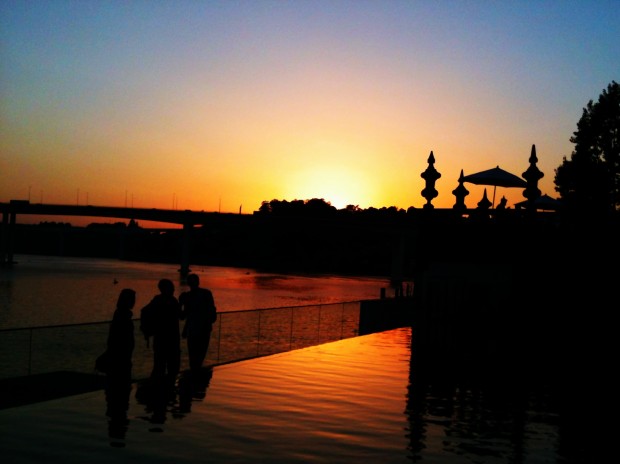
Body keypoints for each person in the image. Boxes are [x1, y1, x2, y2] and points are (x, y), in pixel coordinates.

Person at [104, 288, 136, 439]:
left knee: (116, 393)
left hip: (121, 357)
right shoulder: (123, 316)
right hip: (122, 358)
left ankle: (115, 412)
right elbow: (119, 339)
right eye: (132, 299)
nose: (134, 301)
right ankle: (118, 412)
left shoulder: (120, 314)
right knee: (120, 390)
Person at [140, 278, 182, 392]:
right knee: (172, 367)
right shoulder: (172, 301)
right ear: (166, 288)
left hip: (161, 339)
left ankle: (159, 392)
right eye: (172, 287)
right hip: (171, 339)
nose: (173, 289)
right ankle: (166, 391)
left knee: (160, 365)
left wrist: (147, 330)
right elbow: (181, 315)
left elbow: (144, 311)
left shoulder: (157, 300)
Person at [179, 273, 217, 375]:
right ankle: (196, 378)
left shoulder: (187, 296)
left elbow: (183, 315)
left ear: (188, 283)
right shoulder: (206, 294)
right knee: (199, 355)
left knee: (193, 356)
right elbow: (212, 313)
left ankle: (194, 377)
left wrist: (180, 303)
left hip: (194, 330)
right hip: (203, 329)